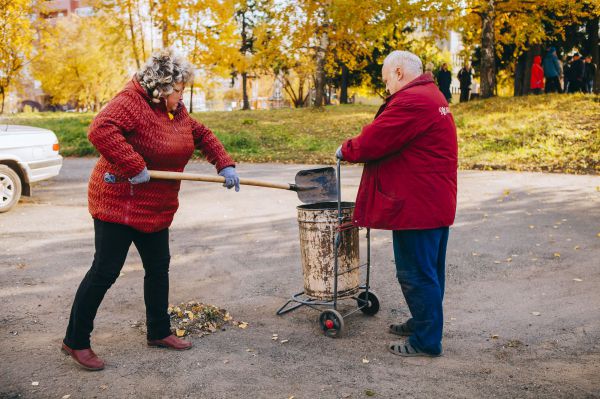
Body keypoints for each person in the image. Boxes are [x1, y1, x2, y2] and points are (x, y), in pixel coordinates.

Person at [61, 49, 240, 371]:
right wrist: (132, 164)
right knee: (105, 271)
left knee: (159, 268)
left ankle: (158, 332)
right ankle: (75, 341)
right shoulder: (132, 102)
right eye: (180, 89)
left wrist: (224, 165)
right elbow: (100, 129)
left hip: (156, 206)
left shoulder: (176, 112)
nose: (182, 96)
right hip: (118, 202)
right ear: (163, 87)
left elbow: (201, 134)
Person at [335, 50, 457, 357]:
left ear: (399, 72)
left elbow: (376, 139)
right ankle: (423, 323)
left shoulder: (412, 101)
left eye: (387, 78)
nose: (386, 85)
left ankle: (426, 341)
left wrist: (345, 150)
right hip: (430, 202)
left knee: (416, 273)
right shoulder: (432, 95)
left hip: (418, 206)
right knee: (428, 271)